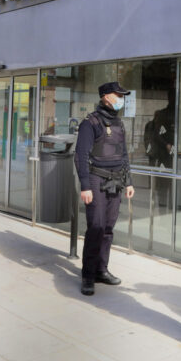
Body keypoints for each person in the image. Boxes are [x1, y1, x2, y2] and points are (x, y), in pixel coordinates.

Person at [74, 81, 135, 296]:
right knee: (96, 227)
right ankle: (88, 275)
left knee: (108, 228)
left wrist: (128, 181)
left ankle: (102, 270)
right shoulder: (90, 122)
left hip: (115, 182)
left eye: (122, 96)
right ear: (106, 97)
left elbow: (124, 154)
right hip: (96, 180)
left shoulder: (119, 124)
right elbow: (81, 155)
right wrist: (85, 186)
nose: (122, 99)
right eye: (118, 95)